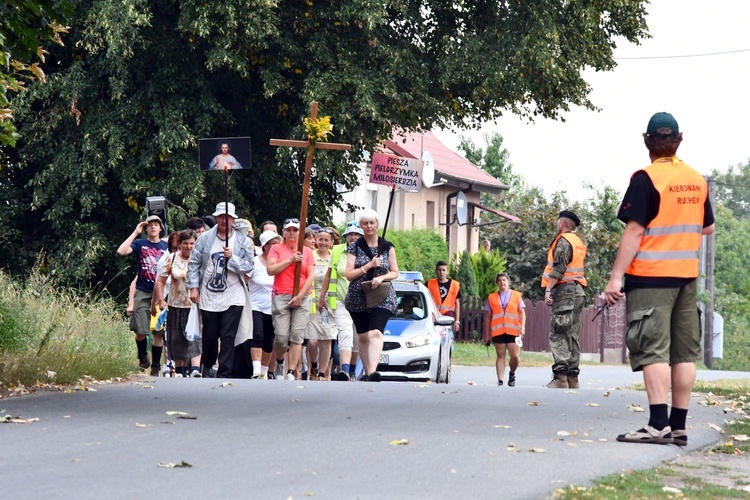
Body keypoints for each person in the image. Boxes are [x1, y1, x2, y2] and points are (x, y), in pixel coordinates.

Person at [603, 112, 715, 446]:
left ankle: (657, 424)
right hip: (686, 278)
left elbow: (635, 230)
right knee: (684, 353)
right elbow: (707, 227)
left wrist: (615, 279)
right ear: (678, 140)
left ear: (648, 142)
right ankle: (678, 426)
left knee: (653, 350)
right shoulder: (696, 180)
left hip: (652, 278)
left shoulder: (646, 178)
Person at [186, 202, 254, 378]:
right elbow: (194, 263)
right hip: (209, 294)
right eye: (221, 217)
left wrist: (233, 259)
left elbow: (248, 266)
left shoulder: (242, 241)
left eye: (228, 217)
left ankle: (225, 372)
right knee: (210, 335)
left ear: (233, 219)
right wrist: (193, 287)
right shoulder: (204, 238)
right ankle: (208, 364)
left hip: (234, 294)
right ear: (216, 218)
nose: (225, 220)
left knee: (227, 335)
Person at [344, 209, 400, 382]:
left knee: (375, 332)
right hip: (358, 294)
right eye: (365, 223)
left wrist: (382, 277)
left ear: (377, 224)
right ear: (361, 226)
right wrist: (369, 266)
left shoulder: (387, 246)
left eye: (372, 223)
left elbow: (395, 272)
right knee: (363, 335)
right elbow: (349, 274)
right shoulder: (355, 246)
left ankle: (373, 371)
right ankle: (367, 372)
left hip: (382, 294)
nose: (369, 226)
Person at [541, 210, 587, 389]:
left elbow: (559, 269)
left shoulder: (563, 241)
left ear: (562, 224)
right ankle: (572, 378)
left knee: (559, 331)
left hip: (565, 291)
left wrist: (548, 289)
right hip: (578, 291)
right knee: (572, 334)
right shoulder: (579, 243)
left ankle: (560, 377)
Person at [117, 215, 169, 375]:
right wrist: (135, 232)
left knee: (158, 331)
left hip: (161, 292)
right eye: (150, 225)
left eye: (156, 225)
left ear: (161, 228)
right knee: (140, 329)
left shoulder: (166, 246)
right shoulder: (140, 244)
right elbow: (121, 251)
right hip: (143, 290)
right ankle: (142, 356)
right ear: (146, 228)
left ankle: (155, 366)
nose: (153, 227)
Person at [267, 218, 315, 380]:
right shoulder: (276, 249)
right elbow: (271, 270)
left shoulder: (307, 251)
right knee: (281, 337)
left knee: (296, 335)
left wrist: (300, 296)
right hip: (281, 295)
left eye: (295, 230)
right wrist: (291, 260)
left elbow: (310, 276)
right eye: (289, 230)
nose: (292, 233)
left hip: (302, 296)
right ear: (284, 233)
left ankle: (291, 371)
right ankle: (280, 361)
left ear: (300, 233)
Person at [155, 229, 202, 377]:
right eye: (185, 243)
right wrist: (161, 300)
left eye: (192, 243)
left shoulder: (200, 259)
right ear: (180, 244)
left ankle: (195, 369)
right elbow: (160, 281)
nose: (189, 247)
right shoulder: (172, 258)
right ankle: (180, 370)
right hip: (175, 304)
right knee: (177, 338)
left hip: (195, 305)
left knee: (194, 337)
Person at [319, 221, 362, 381]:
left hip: (360, 303)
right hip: (340, 301)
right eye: (350, 234)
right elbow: (328, 275)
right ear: (345, 236)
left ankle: (351, 370)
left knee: (357, 339)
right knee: (345, 333)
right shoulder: (337, 250)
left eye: (356, 234)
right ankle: (344, 370)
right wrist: (322, 297)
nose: (353, 237)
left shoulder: (366, 251)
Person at [247, 230, 281, 379]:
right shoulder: (254, 262)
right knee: (257, 334)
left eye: (276, 243)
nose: (274, 246)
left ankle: (264, 371)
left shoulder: (281, 262)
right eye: (270, 243)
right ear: (264, 246)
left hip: (274, 305)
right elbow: (243, 280)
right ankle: (255, 370)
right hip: (255, 304)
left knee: (269, 338)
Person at [305, 227, 336, 380]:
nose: (323, 242)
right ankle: (314, 364)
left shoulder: (334, 258)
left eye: (326, 240)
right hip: (312, 303)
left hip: (329, 305)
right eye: (320, 239)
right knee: (312, 340)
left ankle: (323, 372)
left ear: (331, 243)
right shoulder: (310, 256)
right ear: (316, 241)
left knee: (327, 338)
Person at [483, 273, 526, 387]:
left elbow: (522, 313)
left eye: (504, 280)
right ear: (497, 283)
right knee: (500, 355)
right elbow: (488, 316)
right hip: (498, 331)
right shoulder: (492, 297)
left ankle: (512, 373)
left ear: (508, 282)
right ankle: (501, 380)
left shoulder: (516, 296)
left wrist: (522, 327)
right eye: (499, 281)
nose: (502, 282)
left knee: (515, 356)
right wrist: (487, 334)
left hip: (513, 331)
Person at [426, 260, 462, 333]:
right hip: (433, 315)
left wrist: (457, 321)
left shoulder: (455, 285)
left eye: (443, 270)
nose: (441, 272)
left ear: (447, 271)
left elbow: (457, 303)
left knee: (447, 335)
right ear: (436, 271)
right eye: (439, 270)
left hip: (448, 315)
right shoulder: (429, 283)